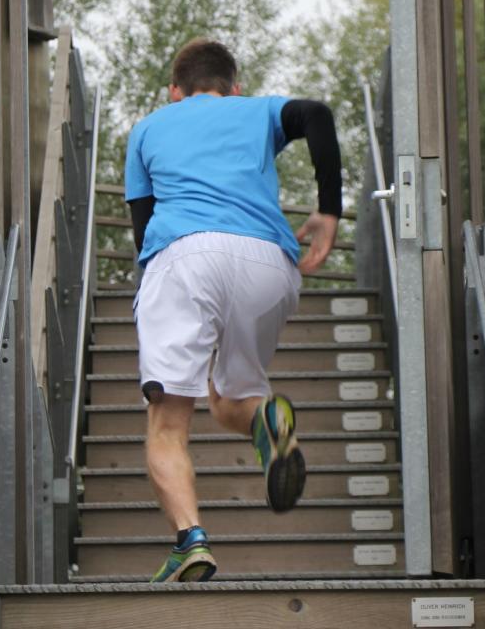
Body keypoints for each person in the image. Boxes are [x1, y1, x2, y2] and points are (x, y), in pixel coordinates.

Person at [124, 38, 343, 583]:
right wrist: (329, 211)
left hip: (183, 257)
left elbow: (143, 224)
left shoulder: (150, 127)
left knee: (169, 422)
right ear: (234, 85)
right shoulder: (257, 110)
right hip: (268, 263)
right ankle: (269, 420)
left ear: (175, 91)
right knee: (230, 401)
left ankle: (190, 540)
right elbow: (316, 115)